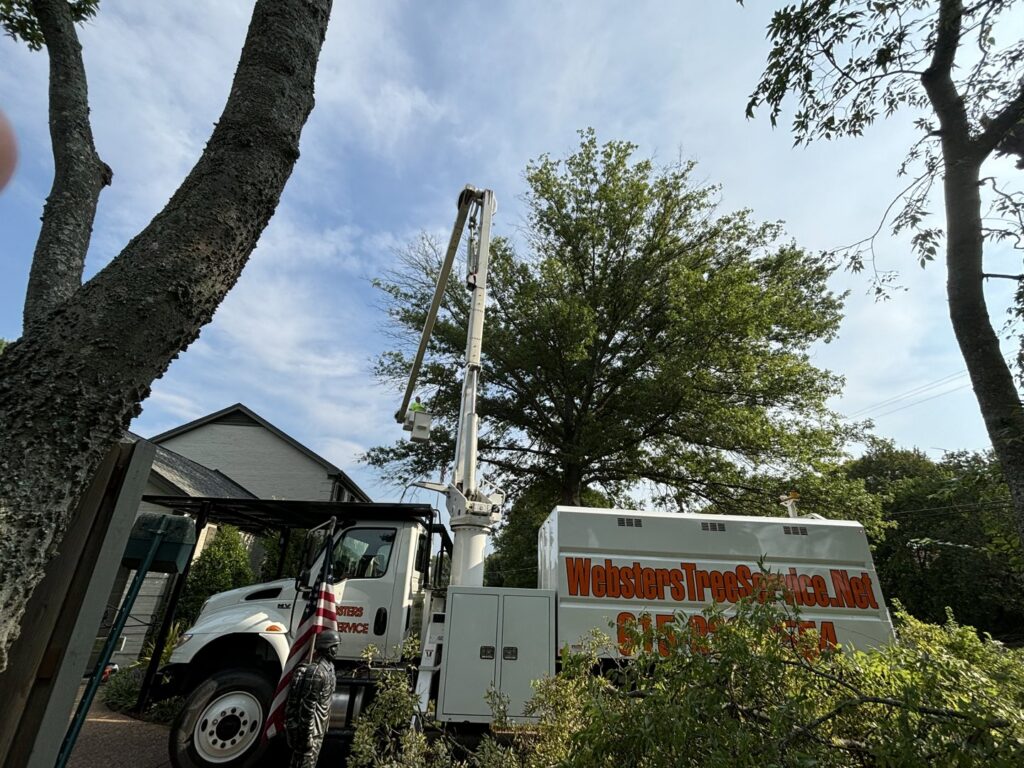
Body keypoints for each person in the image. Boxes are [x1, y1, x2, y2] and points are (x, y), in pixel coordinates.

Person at [284, 630, 340, 768]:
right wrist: (306, 736)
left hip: (319, 730)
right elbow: (307, 708)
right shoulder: (317, 673)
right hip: (311, 732)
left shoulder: (329, 669)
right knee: (304, 763)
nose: (337, 650)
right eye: (334, 646)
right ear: (326, 647)